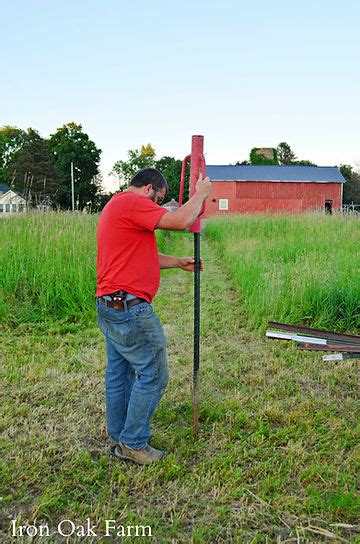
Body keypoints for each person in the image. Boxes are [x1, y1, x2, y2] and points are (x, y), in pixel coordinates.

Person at [96, 167, 212, 465]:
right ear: (150, 189)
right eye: (159, 200)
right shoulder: (133, 203)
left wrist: (178, 262)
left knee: (119, 372)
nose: (157, 208)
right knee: (154, 374)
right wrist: (201, 193)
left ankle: (119, 434)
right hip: (130, 308)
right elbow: (181, 220)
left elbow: (139, 254)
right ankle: (133, 444)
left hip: (111, 304)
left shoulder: (118, 205)